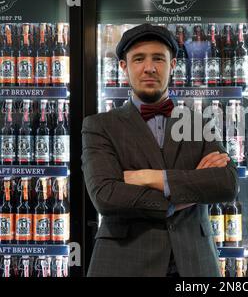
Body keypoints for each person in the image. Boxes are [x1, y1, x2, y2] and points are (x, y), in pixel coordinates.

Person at [81, 24, 238, 277]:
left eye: (158, 58)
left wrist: (152, 178)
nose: (149, 67)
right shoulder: (99, 126)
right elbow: (106, 196)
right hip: (124, 263)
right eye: (139, 59)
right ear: (124, 67)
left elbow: (227, 183)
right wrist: (179, 199)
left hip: (194, 264)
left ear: (173, 65)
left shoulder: (200, 122)